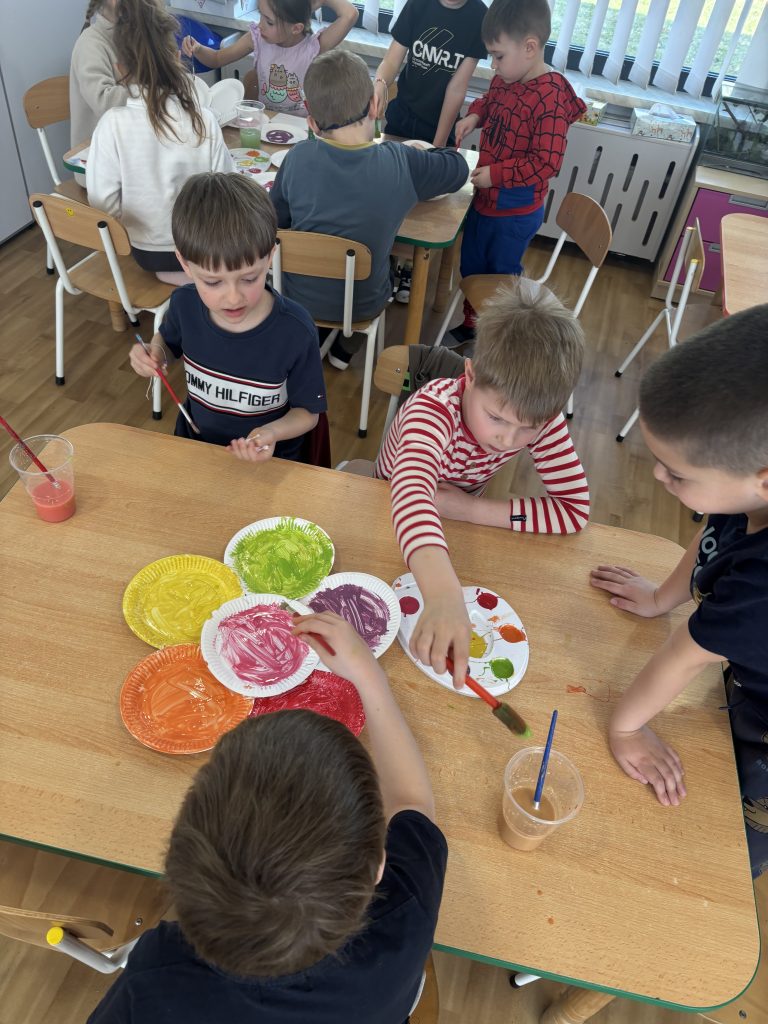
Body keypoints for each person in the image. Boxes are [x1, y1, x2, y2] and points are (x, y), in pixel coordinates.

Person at [86, 613, 446, 1024]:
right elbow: (412, 802)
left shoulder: (158, 976)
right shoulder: (403, 918)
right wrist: (368, 676)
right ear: (379, 865)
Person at [590, 306, 768, 879]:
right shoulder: (748, 493)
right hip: (746, 671)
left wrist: (625, 728)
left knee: (723, 846)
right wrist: (662, 598)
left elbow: (684, 656)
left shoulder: (762, 590)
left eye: (676, 473)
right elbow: (716, 535)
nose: (657, 478)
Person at [375, 280, 589, 688]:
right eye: (496, 419)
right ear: (470, 375)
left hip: (453, 525)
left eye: (527, 429)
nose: (508, 440)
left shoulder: (540, 416)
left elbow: (574, 510)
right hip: (390, 519)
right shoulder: (433, 409)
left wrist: (470, 509)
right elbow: (411, 493)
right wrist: (443, 593)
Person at [270, 48, 468, 370]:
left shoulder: (297, 158)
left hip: (297, 299)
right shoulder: (400, 161)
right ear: (376, 105)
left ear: (312, 123)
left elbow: (276, 220)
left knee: (325, 265)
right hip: (362, 304)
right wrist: (424, 154)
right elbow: (458, 169)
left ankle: (316, 334)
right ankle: (346, 348)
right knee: (384, 269)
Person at [129, 172, 326, 463]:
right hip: (198, 449)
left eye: (249, 278)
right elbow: (167, 344)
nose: (233, 298)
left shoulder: (295, 331)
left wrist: (271, 433)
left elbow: (308, 413)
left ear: (270, 256)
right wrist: (153, 354)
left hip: (271, 461)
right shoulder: (184, 304)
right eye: (213, 282)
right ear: (184, 263)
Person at [450, 0, 585, 345]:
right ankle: (472, 325)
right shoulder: (508, 75)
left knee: (500, 278)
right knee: (472, 268)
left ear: (529, 47)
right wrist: (474, 115)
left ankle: (497, 338)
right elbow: (490, 100)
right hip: (485, 199)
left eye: (498, 56)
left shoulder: (551, 97)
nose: (493, 66)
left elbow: (546, 163)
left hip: (514, 211)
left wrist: (496, 175)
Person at [86, 0, 234, 281]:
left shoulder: (111, 124)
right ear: (177, 58)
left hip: (145, 252)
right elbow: (227, 187)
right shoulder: (203, 118)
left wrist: (136, 223)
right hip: (202, 249)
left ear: (120, 69)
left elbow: (101, 200)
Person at [182, 0, 357, 117]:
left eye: (269, 22)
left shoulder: (313, 47)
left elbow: (350, 14)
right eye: (261, 16)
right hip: (265, 121)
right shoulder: (257, 38)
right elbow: (217, 59)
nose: (260, 25)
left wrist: (319, 1)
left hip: (301, 126)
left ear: (296, 28)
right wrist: (198, 49)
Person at [372, 0, 488, 148]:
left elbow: (457, 88)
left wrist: (438, 145)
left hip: (440, 127)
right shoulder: (417, 4)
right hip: (402, 119)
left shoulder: (480, 16)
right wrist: (380, 83)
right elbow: (391, 61)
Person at [69, 0, 129, 146]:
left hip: (130, 140)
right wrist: (152, 90)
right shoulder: (89, 43)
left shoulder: (132, 36)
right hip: (98, 151)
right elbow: (105, 102)